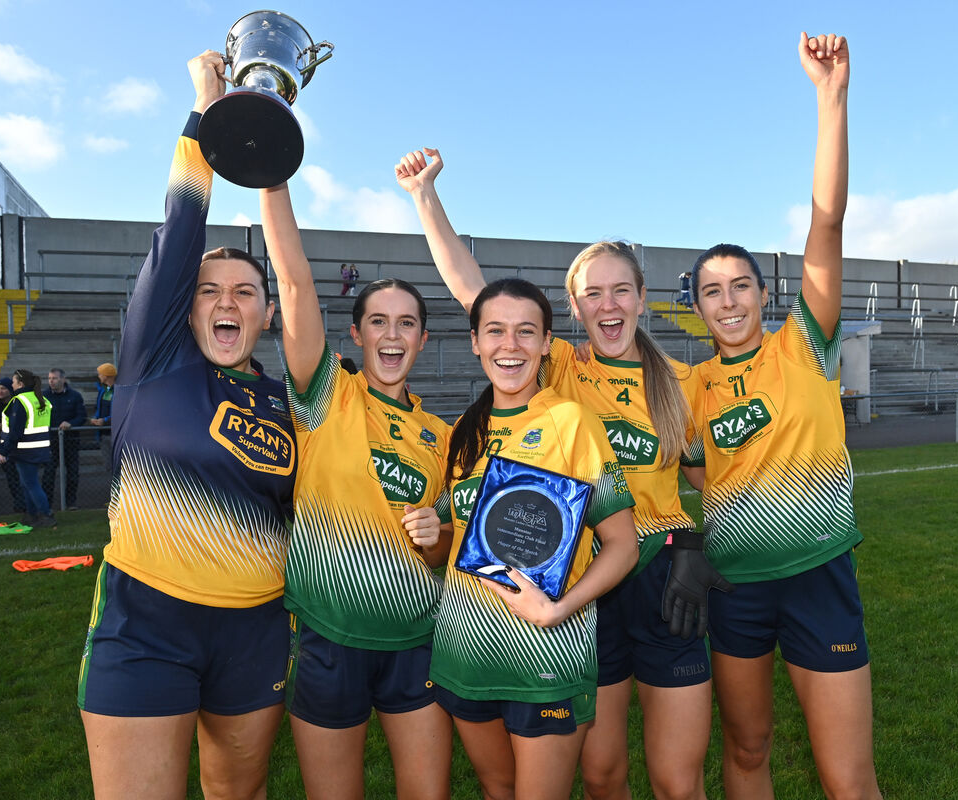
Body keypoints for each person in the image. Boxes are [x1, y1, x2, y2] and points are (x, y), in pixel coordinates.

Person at [396, 156, 723, 799]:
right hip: (582, 578)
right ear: (574, 309)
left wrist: (695, 546)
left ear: (640, 299)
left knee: (678, 781)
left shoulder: (682, 383)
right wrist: (424, 197)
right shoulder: (562, 368)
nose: (609, 304)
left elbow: (720, 479)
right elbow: (477, 296)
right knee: (601, 775)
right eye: (593, 293)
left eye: (620, 290)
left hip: (658, 573)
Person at [76, 50, 297, 800]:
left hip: (256, 629)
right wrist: (208, 106)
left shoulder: (285, 404)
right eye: (209, 290)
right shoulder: (153, 363)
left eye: (246, 290)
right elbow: (180, 226)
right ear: (188, 304)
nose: (227, 300)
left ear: (266, 315)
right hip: (147, 622)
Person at [683, 34, 883, 800]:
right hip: (734, 586)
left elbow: (826, 222)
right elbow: (692, 467)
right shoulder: (690, 383)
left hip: (818, 575)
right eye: (712, 290)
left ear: (766, 296)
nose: (728, 300)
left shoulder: (804, 344)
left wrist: (830, 98)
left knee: (846, 775)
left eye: (740, 285)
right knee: (747, 749)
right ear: (696, 306)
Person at [260, 181, 454, 800]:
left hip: (418, 645)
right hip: (328, 639)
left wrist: (438, 535)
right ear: (355, 335)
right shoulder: (327, 396)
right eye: (378, 322)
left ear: (423, 339)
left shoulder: (444, 437)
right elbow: (293, 284)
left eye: (406, 324)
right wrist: (274, 174)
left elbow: (454, 550)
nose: (392, 335)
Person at [429, 277, 638, 800]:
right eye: (495, 331)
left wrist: (557, 609)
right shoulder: (463, 433)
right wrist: (437, 531)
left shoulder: (572, 422)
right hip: (465, 656)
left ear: (547, 342)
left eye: (526, 332)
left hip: (547, 656)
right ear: (475, 341)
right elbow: (456, 545)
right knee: (498, 790)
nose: (510, 345)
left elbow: (623, 544)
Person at [0, 369, 55, 528]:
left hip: (24, 450)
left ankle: (45, 515)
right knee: (27, 483)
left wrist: (3, 452)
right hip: (39, 448)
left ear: (20, 383)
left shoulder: (19, 400)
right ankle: (32, 515)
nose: (12, 384)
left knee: (30, 483)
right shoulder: (41, 399)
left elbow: (15, 432)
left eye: (13, 382)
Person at [43, 367, 86, 510]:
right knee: (48, 474)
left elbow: (82, 416)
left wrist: (71, 423)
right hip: (51, 441)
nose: (51, 381)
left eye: (54, 378)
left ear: (63, 379)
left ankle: (70, 503)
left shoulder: (75, 396)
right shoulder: (43, 397)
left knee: (73, 473)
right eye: (49, 378)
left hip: (70, 441)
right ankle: (47, 504)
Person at [0, 378, 27, 514]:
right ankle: (20, 505)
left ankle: (25, 504)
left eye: (3, 388)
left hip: (20, 445)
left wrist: (3, 426)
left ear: (10, 389)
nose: (0, 391)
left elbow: (21, 422)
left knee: (24, 476)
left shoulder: (18, 403)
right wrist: (9, 426)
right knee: (12, 477)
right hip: (2, 446)